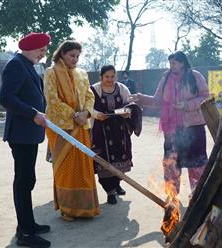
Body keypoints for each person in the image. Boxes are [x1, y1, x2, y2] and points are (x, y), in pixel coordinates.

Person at [130, 51, 209, 195]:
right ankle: (172, 198)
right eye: (170, 63)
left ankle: (198, 196)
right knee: (171, 164)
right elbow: (157, 100)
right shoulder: (166, 78)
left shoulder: (195, 76)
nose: (171, 66)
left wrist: (186, 105)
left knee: (196, 164)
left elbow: (205, 97)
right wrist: (140, 98)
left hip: (193, 127)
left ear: (183, 63)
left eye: (174, 63)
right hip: (172, 130)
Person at [0, 32, 51, 248]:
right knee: (24, 181)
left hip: (29, 134)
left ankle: (27, 224)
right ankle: (26, 234)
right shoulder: (16, 65)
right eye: (41, 50)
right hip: (21, 134)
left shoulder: (26, 65)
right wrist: (33, 113)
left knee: (27, 180)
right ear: (30, 48)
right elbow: (6, 98)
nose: (43, 54)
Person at [44, 40, 100, 220]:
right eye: (71, 55)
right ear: (62, 54)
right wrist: (75, 115)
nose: (75, 59)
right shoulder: (51, 73)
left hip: (82, 126)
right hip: (61, 128)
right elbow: (52, 100)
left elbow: (90, 96)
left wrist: (86, 113)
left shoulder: (83, 74)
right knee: (65, 168)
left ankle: (86, 208)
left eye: (77, 56)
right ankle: (67, 209)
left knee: (83, 168)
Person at [91, 65, 142, 205]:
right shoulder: (94, 89)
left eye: (112, 76)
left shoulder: (122, 88)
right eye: (106, 76)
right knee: (104, 161)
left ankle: (117, 184)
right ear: (101, 77)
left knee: (121, 158)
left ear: (116, 77)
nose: (110, 79)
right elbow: (88, 106)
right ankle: (110, 192)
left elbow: (130, 103)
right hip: (101, 131)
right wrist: (96, 114)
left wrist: (128, 111)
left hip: (119, 131)